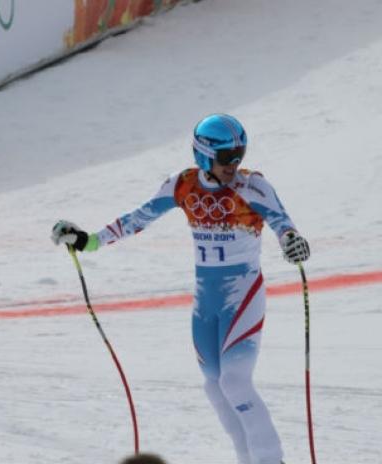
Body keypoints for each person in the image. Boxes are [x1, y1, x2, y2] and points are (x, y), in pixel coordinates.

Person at [51, 114, 309, 464]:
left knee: (235, 381)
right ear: (204, 154)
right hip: (206, 298)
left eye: (239, 156)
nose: (233, 165)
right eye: (226, 158)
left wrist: (292, 241)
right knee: (214, 385)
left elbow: (283, 224)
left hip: (243, 292)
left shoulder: (253, 186)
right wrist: (89, 241)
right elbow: (138, 218)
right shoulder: (183, 185)